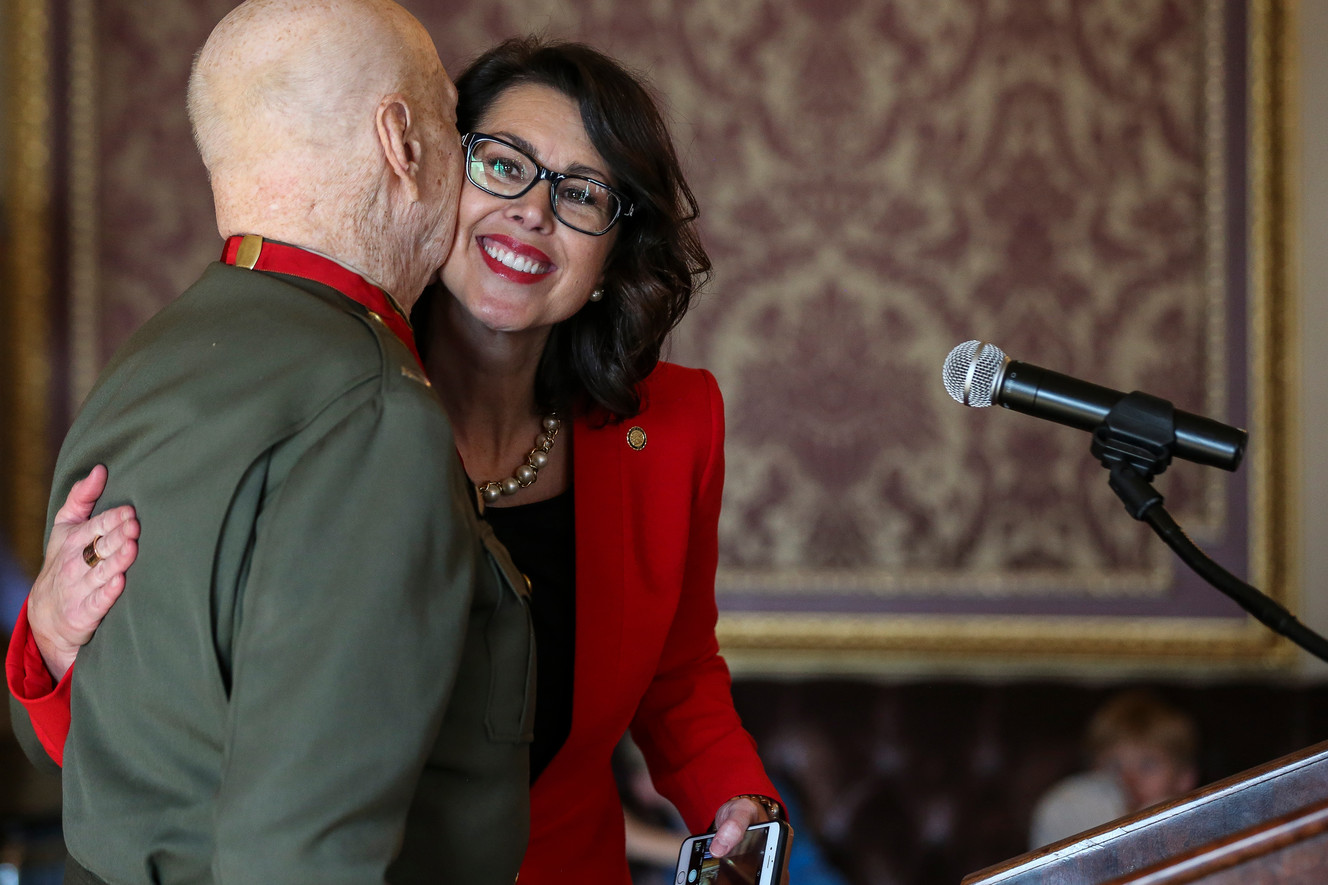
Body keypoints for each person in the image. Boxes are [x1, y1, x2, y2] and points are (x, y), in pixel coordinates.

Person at [10, 35, 782, 884]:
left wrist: (739, 803)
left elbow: (677, 675)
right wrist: (50, 644)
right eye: (503, 165)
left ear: (611, 250)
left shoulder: (674, 424)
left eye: (582, 192)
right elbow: (160, 741)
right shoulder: (320, 406)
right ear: (434, 172)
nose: (534, 209)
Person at [5, 2, 536, 883]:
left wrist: (45, 646)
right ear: (401, 141)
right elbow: (305, 856)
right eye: (451, 120)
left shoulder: (140, 372)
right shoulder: (372, 413)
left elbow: (88, 746)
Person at [1029, 689, 1199, 848]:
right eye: (1114, 766)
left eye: (1147, 765)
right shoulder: (1072, 812)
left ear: (1184, 778)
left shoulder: (1201, 831)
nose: (1128, 778)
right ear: (1093, 771)